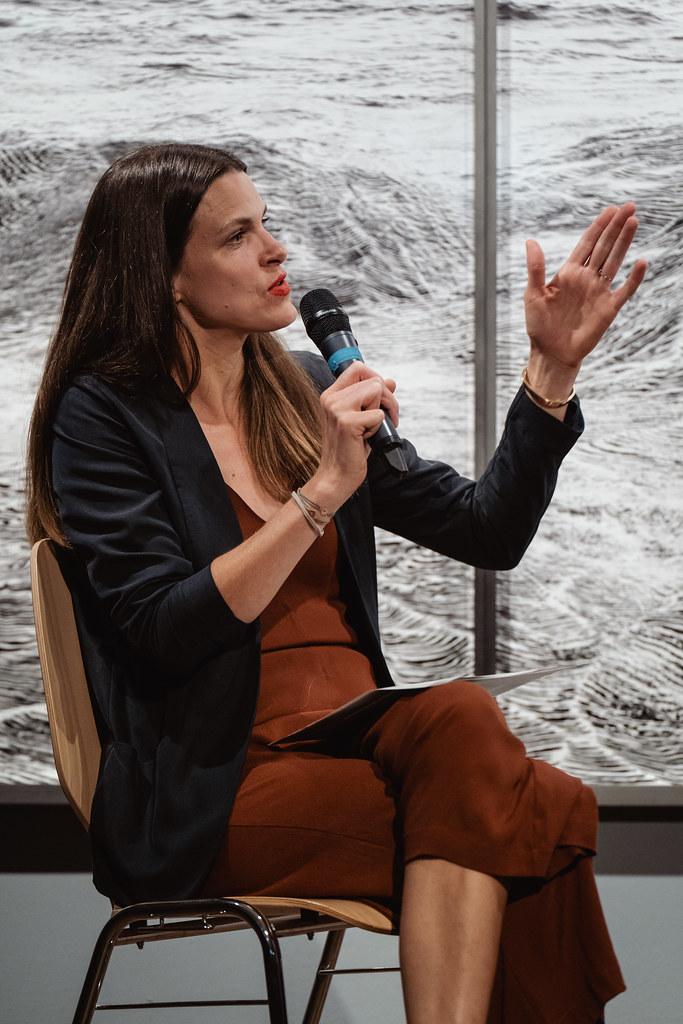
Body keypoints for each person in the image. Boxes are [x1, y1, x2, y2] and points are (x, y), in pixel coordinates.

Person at [25, 142, 647, 1024]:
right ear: (165, 276)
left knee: (464, 721)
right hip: (216, 783)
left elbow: (486, 530)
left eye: (267, 224)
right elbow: (164, 627)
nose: (276, 249)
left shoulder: (305, 386)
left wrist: (550, 374)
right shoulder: (102, 415)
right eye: (238, 236)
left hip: (357, 746)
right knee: (535, 811)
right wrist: (319, 492)